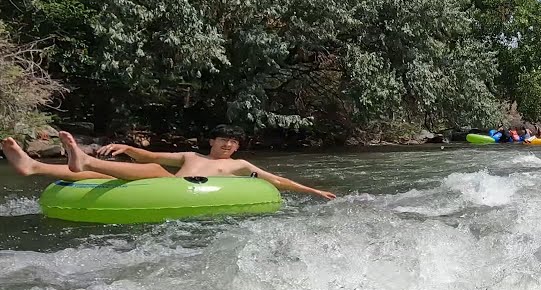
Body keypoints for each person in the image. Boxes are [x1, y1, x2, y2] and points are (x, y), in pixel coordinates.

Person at [2, 126, 335, 200]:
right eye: (223, 140)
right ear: (212, 142)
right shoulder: (191, 156)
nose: (228, 145)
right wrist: (125, 146)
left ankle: (81, 161)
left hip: (169, 190)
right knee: (155, 168)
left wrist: (312, 190)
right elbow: (149, 156)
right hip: (161, 185)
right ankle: (35, 166)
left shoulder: (238, 165)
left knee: (157, 172)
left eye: (233, 142)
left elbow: (275, 180)